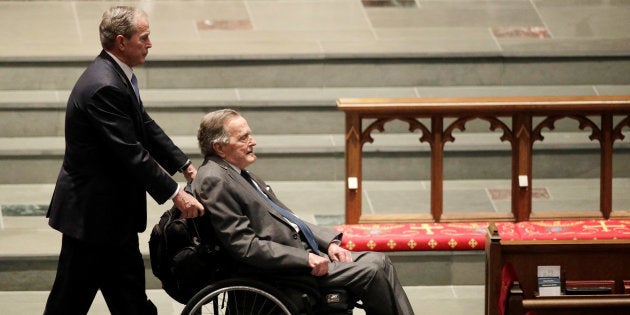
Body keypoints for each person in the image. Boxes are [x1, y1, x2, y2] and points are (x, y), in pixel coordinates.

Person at [44, 6, 204, 315]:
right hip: (91, 217)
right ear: (121, 42)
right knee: (70, 300)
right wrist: (176, 194)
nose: (150, 43)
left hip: (111, 216)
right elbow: (131, 153)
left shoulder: (116, 74)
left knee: (128, 299)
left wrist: (183, 164)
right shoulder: (104, 85)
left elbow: (143, 124)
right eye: (144, 37)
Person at [192, 109, 415, 315]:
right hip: (281, 271)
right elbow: (245, 246)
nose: (253, 142)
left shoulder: (236, 173)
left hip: (299, 253)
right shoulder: (215, 179)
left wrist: (329, 244)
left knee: (380, 262)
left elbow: (289, 219)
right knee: (371, 272)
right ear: (219, 147)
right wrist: (305, 257)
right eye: (243, 138)